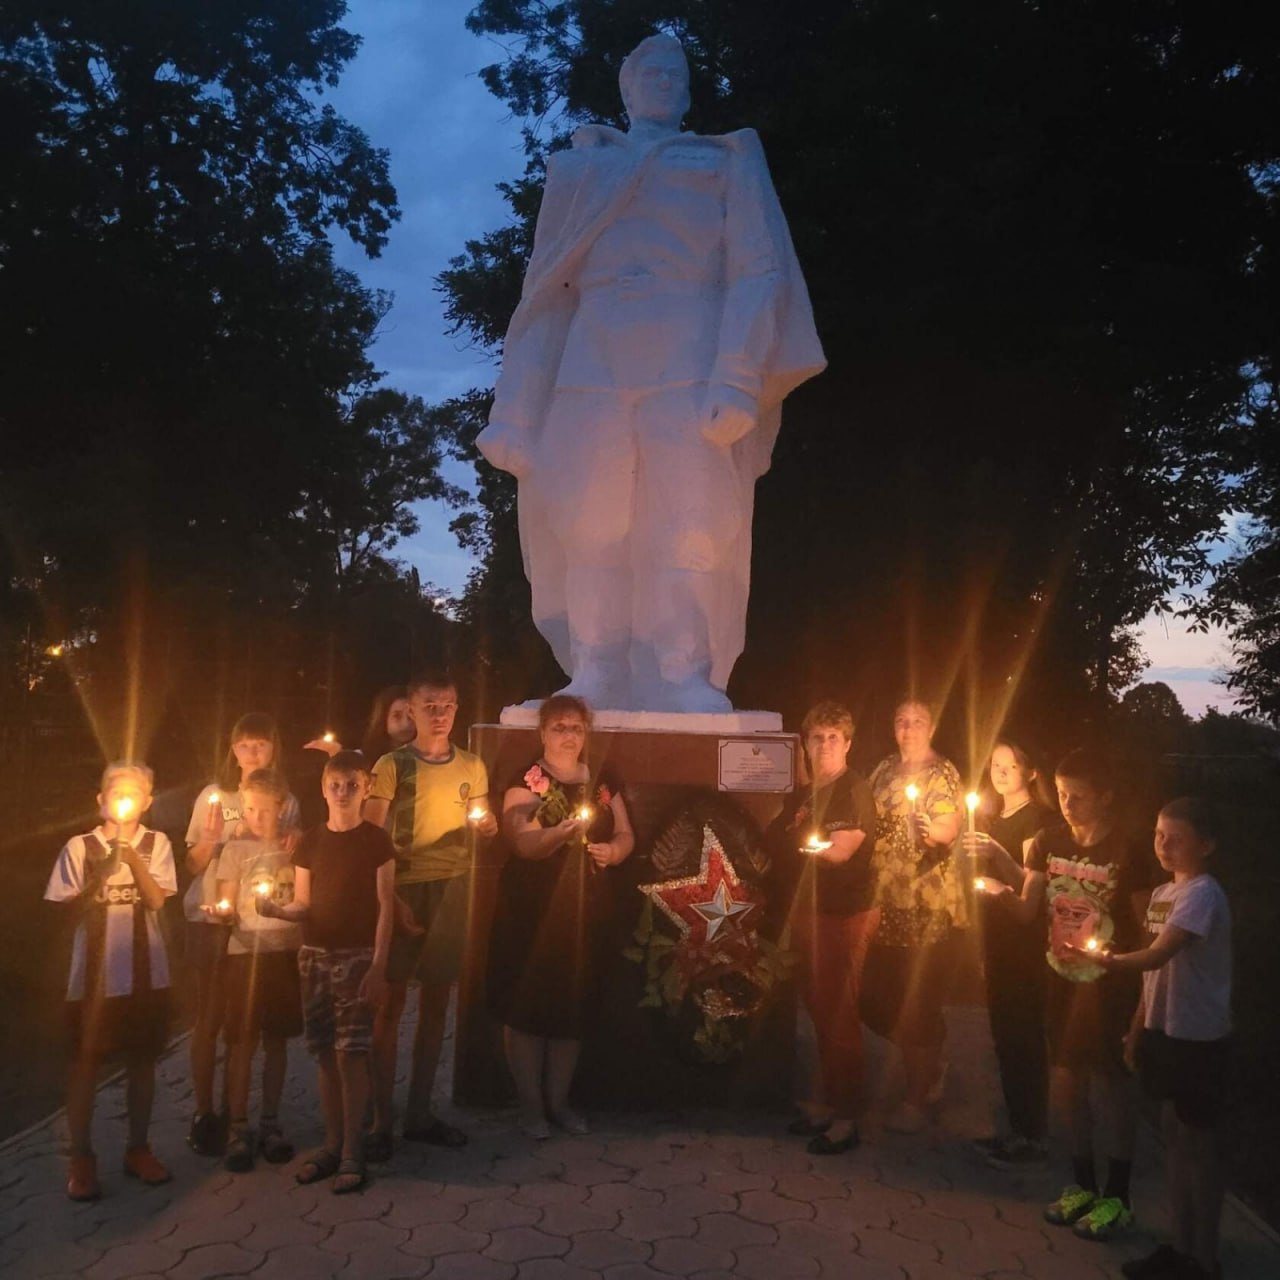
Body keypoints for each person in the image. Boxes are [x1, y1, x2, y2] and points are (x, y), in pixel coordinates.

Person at [476, 33, 825, 712]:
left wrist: (736, 374)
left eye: (676, 73)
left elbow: (758, 270)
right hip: (593, 359)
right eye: (650, 72)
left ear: (689, 91)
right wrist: (515, 411)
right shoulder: (578, 171)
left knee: (687, 523)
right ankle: (598, 666)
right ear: (626, 87)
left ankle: (681, 671)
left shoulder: (723, 161)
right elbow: (546, 291)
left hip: (688, 358)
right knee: (589, 520)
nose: (663, 80)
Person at [1077, 798, 1230, 1280]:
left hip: (1199, 1038)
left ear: (1205, 846)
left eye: (1176, 838)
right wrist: (1138, 1025)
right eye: (1159, 834)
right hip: (1166, 1031)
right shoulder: (1165, 892)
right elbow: (1153, 978)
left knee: (1198, 1151)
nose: (1163, 844)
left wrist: (1106, 960)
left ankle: (1204, 1260)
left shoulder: (1203, 894)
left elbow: (1159, 955)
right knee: (1174, 1142)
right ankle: (1179, 1248)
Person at [1013, 748, 1163, 1242]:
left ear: (1106, 796)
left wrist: (1143, 1002)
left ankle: (1118, 1197)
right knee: (1067, 1078)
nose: (1068, 804)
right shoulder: (1048, 841)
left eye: (1079, 796)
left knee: (1114, 1084)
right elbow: (1026, 910)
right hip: (1061, 980)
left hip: (1112, 987)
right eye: (1061, 794)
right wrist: (996, 882)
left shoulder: (1129, 850)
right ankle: (1081, 1183)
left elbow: (1145, 929)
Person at [485, 694, 634, 1137]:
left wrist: (615, 851)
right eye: (559, 727)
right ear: (542, 733)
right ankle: (532, 1109)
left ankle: (560, 1103)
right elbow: (522, 843)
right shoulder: (528, 780)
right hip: (532, 907)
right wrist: (561, 832)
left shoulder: (603, 779)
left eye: (576, 728)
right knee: (529, 1005)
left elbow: (626, 832)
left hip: (585, 908)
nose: (568, 735)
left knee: (572, 1006)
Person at [365, 671, 499, 1157]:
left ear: (457, 709)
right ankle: (381, 1119)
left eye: (447, 706)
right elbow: (369, 837)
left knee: (437, 1005)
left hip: (451, 890)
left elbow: (480, 821)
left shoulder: (472, 766)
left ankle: (419, 1112)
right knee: (389, 1006)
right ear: (413, 710)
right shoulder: (392, 765)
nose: (439, 715)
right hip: (403, 887)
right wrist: (389, 899)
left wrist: (486, 827)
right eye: (430, 706)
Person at [258, 751, 396, 1194]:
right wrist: (277, 910)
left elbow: (386, 905)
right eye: (335, 785)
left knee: (351, 1053)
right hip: (314, 955)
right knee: (322, 1051)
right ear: (322, 787)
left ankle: (354, 1150)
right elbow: (304, 903)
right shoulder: (311, 842)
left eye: (351, 785)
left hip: (357, 958)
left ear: (366, 787)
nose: (342, 793)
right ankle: (332, 1144)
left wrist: (378, 964)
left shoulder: (376, 840)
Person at [46, 762, 177, 1201]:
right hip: (92, 981)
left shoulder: (156, 844)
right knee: (84, 1067)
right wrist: (101, 873)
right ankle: (81, 1159)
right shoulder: (80, 848)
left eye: (135, 791)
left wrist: (130, 855)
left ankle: (137, 1149)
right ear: (100, 800)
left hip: (145, 976)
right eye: (115, 790)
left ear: (147, 802)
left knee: (141, 1062)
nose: (124, 798)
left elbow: (157, 900)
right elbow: (65, 912)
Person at [183, 711, 299, 1156]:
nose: (253, 752)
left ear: (273, 749)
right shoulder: (215, 797)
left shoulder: (285, 801)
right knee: (211, 1019)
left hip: (265, 931)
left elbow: (293, 851)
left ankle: (256, 1118)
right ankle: (206, 1112)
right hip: (211, 920)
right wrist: (212, 841)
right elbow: (194, 863)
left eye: (262, 745)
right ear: (233, 750)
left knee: (256, 1028)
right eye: (246, 745)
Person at [767, 701, 878, 1155]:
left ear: (848, 744)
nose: (825, 745)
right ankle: (830, 1104)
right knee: (819, 1008)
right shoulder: (807, 793)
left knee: (838, 1012)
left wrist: (812, 848)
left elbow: (842, 851)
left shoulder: (852, 791)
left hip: (845, 912)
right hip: (812, 911)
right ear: (806, 743)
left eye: (834, 737)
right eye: (817, 737)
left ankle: (848, 1118)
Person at [862, 699, 964, 1134]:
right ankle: (932, 1059)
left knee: (917, 1004)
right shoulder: (883, 769)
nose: (908, 729)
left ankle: (918, 1096)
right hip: (882, 901)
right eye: (901, 721)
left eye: (917, 722)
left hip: (925, 904)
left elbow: (950, 827)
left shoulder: (942, 773)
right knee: (876, 1000)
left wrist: (931, 829)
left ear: (932, 726)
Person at [964, 739, 1055, 1169]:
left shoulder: (1038, 821)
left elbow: (1028, 887)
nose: (1000, 773)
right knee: (1004, 1036)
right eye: (995, 764)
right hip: (996, 940)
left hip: (1025, 945)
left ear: (1030, 772)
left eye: (1011, 766)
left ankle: (1032, 1134)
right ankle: (1018, 1127)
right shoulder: (991, 816)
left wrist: (997, 854)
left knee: (1023, 1037)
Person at [212, 768, 303, 1172]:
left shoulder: (295, 848)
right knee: (241, 1043)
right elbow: (225, 900)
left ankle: (270, 1121)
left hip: (283, 954)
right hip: (244, 954)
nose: (255, 818)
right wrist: (223, 910)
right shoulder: (235, 851)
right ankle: (237, 1125)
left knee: (278, 1040)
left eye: (264, 810)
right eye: (249, 809)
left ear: (281, 809)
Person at [303, 685, 415, 761]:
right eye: (397, 716)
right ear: (383, 718)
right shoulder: (366, 758)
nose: (406, 723)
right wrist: (337, 754)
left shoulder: (428, 759)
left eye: (411, 716)